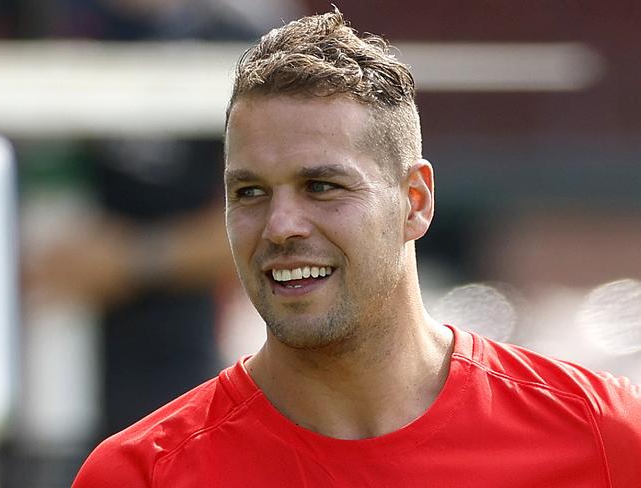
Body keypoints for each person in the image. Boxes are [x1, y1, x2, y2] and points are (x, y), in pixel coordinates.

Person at [72, 9, 641, 487]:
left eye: (322, 186)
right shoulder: (142, 473)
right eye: (249, 192)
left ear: (415, 200)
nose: (281, 225)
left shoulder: (601, 436)